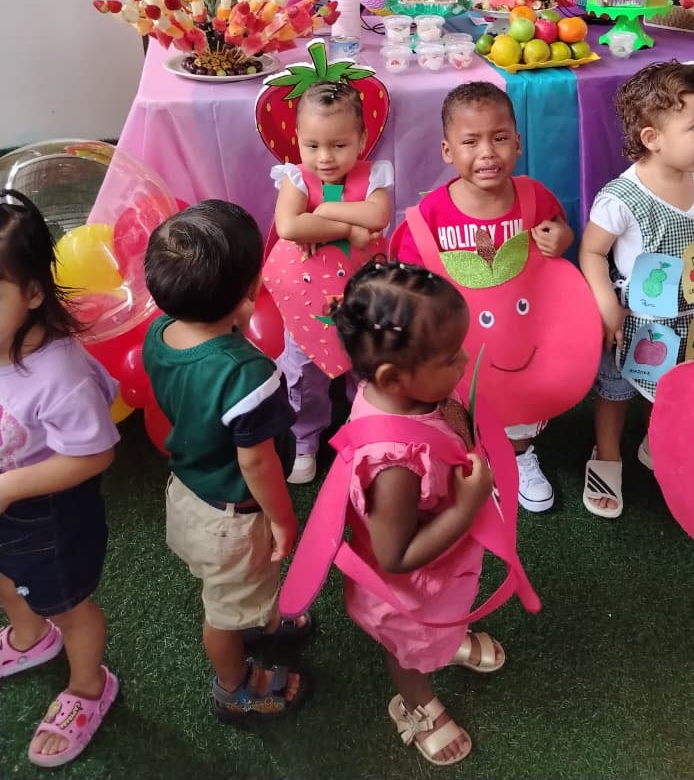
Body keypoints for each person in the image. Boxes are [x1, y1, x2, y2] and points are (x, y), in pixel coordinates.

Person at [329, 259, 506, 766]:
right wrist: (467, 506)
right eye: (451, 357)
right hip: (409, 593)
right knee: (410, 650)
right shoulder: (395, 466)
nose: (465, 359)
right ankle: (415, 702)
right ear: (393, 376)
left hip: (443, 569)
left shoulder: (413, 392)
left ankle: (447, 639)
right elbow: (396, 556)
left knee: (440, 627)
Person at [143, 200, 310, 723]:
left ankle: (261, 617)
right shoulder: (248, 374)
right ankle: (235, 687)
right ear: (251, 288)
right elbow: (258, 464)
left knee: (237, 590)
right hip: (233, 520)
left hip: (187, 494)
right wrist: (282, 518)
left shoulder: (160, 333)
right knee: (222, 612)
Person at [580, 62, 694, 519]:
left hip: (688, 312)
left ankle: (657, 442)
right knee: (616, 389)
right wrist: (606, 306)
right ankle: (607, 455)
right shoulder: (621, 197)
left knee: (675, 385)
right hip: (632, 319)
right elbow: (592, 252)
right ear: (652, 138)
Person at [392, 82, 573, 513]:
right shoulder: (432, 213)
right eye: (471, 141)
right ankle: (475, 458)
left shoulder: (533, 196)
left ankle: (520, 454)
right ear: (447, 150)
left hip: (518, 334)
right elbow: (408, 278)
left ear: (518, 142)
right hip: (458, 340)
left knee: (520, 400)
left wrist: (562, 237)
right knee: (460, 405)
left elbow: (558, 231)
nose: (488, 153)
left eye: (499, 138)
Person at [0, 189, 119, 767]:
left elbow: (95, 455)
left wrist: (8, 489)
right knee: (6, 579)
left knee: (69, 607)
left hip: (46, 513)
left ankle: (89, 687)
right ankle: (29, 637)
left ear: (32, 294)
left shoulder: (59, 373)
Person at [266, 80, 393, 483]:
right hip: (305, 302)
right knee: (303, 372)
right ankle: (305, 440)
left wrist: (322, 214)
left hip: (364, 298)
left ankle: (365, 430)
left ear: (362, 140)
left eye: (339, 145)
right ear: (297, 140)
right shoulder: (295, 178)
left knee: (366, 364)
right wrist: (348, 229)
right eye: (313, 145)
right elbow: (289, 226)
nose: (324, 158)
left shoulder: (374, 177)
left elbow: (377, 216)